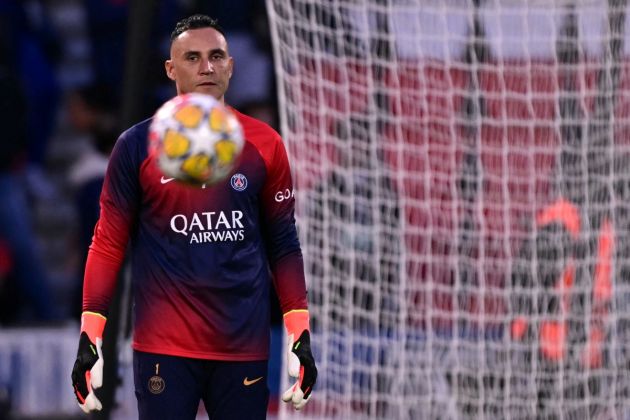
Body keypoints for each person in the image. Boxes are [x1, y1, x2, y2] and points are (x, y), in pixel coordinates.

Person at [70, 14, 317, 419]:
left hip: (243, 346)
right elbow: (108, 243)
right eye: (192, 57)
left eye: (217, 56)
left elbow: (284, 242)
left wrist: (299, 331)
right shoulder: (135, 146)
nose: (207, 67)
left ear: (231, 66)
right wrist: (90, 334)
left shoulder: (265, 145)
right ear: (171, 69)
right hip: (163, 347)